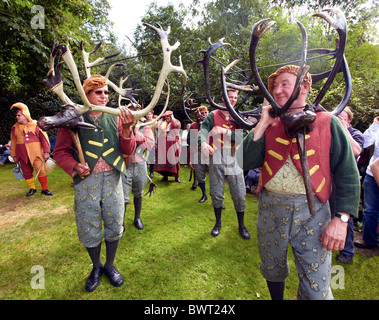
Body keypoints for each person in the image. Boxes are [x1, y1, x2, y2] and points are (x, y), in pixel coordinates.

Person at [238, 65, 360, 300]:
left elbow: (347, 173)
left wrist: (342, 219)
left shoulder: (328, 122)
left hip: (313, 215)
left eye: (285, 83)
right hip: (270, 211)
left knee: (318, 286)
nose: (278, 90)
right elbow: (242, 161)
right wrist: (262, 124)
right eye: (275, 86)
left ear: (304, 87)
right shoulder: (269, 124)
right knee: (272, 268)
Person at [53, 75, 136, 292]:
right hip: (86, 182)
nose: (104, 96)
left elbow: (128, 151)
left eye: (107, 92)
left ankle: (110, 265)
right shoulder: (73, 117)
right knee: (88, 224)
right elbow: (60, 152)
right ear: (86, 94)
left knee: (114, 222)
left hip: (113, 179)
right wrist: (74, 166)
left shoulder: (117, 117)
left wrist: (127, 131)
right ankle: (96, 266)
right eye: (98, 92)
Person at [198, 89, 250, 239]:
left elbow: (246, 136)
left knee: (239, 194)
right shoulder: (213, 115)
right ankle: (218, 223)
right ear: (223, 97)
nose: (232, 100)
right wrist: (202, 143)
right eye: (230, 97)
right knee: (216, 192)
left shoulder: (238, 115)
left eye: (235, 97)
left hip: (234, 158)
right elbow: (202, 130)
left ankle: (241, 225)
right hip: (216, 158)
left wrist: (225, 132)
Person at [331, 107, 364, 264]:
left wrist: (343, 129)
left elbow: (356, 151)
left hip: (346, 183)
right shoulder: (331, 130)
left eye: (341, 117)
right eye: (335, 116)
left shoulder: (356, 134)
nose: (337, 119)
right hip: (330, 179)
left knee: (345, 217)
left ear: (349, 120)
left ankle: (347, 251)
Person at [10, 102, 53, 197]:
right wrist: (13, 155)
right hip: (22, 154)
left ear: (25, 115)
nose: (17, 117)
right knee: (26, 172)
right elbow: (13, 142)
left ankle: (44, 189)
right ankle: (32, 188)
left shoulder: (36, 124)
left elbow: (44, 138)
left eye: (19, 115)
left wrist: (46, 152)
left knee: (41, 170)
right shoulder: (14, 128)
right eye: (16, 115)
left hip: (37, 153)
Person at [122, 105, 154, 230]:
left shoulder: (144, 127)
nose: (133, 113)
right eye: (130, 110)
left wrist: (136, 133)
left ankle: (137, 217)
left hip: (140, 165)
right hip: (124, 165)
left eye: (135, 111)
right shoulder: (121, 126)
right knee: (123, 195)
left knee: (138, 192)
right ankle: (121, 222)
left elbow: (149, 145)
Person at [354, 116, 379, 249]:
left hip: (375, 171)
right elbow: (365, 142)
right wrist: (375, 124)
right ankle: (369, 240)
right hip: (371, 176)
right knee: (370, 211)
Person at [188, 105, 209, 202]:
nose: (205, 114)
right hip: (198, 152)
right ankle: (204, 194)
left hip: (211, 152)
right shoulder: (194, 126)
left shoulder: (211, 123)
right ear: (198, 115)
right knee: (200, 176)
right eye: (202, 113)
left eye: (206, 112)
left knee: (215, 175)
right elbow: (189, 141)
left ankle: (217, 199)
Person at [155, 110, 182, 183]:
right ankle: (165, 176)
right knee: (164, 161)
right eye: (166, 117)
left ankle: (176, 177)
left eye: (168, 116)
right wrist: (162, 119)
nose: (167, 118)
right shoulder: (163, 123)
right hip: (164, 144)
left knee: (174, 159)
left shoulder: (175, 122)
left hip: (173, 143)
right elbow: (157, 126)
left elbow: (176, 126)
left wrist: (172, 118)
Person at [145, 110, 157, 178]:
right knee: (144, 157)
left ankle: (151, 172)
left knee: (152, 158)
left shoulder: (155, 122)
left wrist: (156, 143)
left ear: (152, 115)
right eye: (147, 114)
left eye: (149, 114)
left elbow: (156, 133)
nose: (148, 115)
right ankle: (144, 172)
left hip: (152, 142)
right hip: (144, 142)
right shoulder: (143, 122)